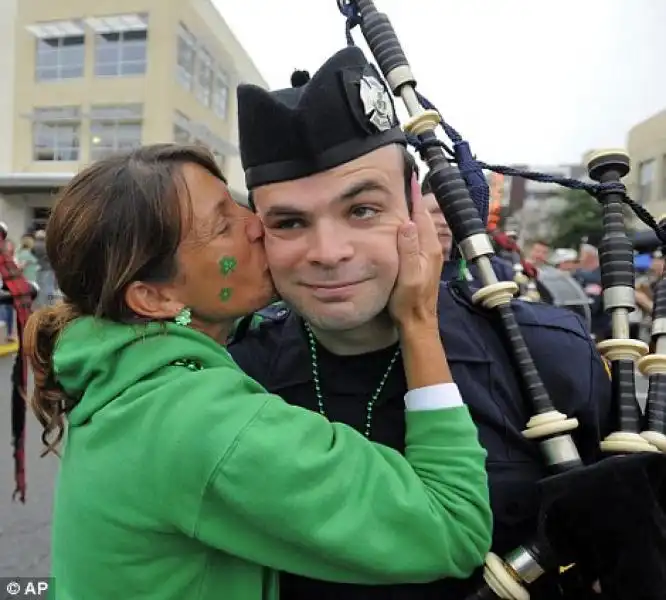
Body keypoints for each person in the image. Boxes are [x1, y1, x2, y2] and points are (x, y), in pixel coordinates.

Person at [23, 144, 492, 600]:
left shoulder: (125, 371)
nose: (258, 225)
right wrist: (418, 321)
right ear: (154, 299)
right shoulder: (203, 423)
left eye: (239, 205)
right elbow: (453, 523)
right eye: (223, 225)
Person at [228, 46, 612, 599]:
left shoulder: (547, 359)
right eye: (290, 222)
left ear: (415, 205)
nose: (329, 251)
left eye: (362, 210)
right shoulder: (237, 379)